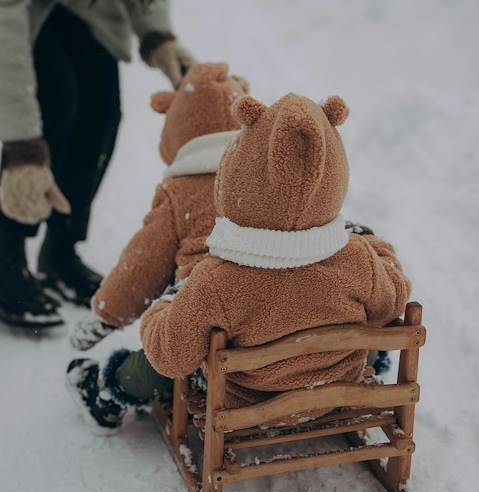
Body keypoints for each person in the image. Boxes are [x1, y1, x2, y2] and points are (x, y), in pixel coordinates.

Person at [66, 91, 411, 433]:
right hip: (336, 391)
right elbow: (391, 301)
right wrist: (373, 247)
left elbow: (171, 353)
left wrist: (164, 307)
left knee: (182, 343)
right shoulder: (357, 260)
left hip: (251, 406)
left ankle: (108, 390)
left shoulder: (218, 279)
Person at [0, 0, 195, 328]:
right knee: (57, 99)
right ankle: (6, 255)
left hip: (85, 10)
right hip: (15, 12)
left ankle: (61, 251)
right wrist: (23, 149)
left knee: (101, 111)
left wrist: (157, 34)